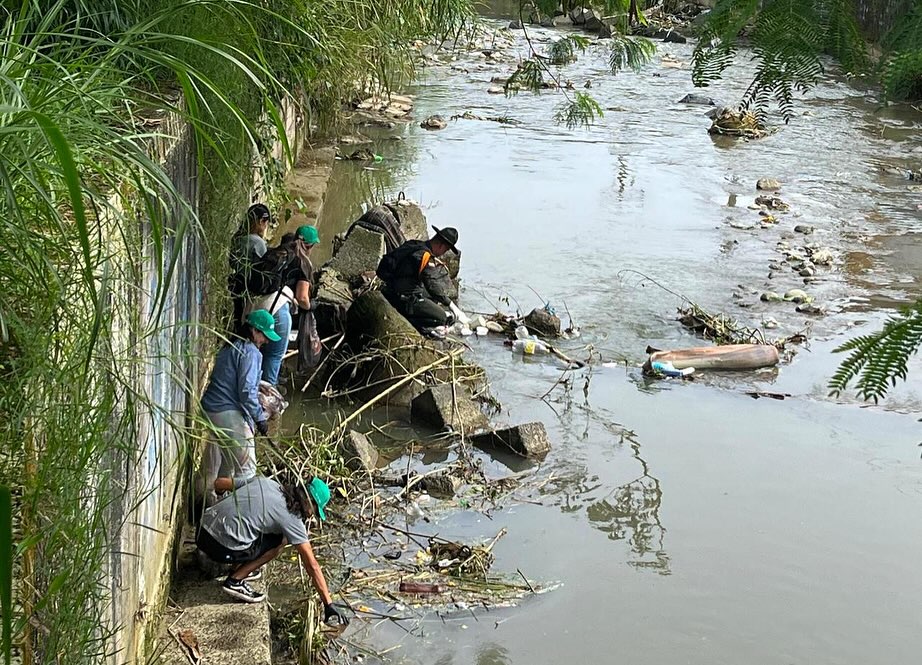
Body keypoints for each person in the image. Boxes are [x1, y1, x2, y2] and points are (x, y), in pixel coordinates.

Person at [197, 473, 347, 625]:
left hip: (200, 531)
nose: (311, 515)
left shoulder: (267, 483)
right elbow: (312, 565)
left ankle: (238, 566)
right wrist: (328, 604)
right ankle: (235, 581)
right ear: (310, 503)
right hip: (219, 547)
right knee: (279, 542)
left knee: (257, 524)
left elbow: (220, 483)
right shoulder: (292, 518)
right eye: (314, 511)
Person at [200, 309, 281, 505]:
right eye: (264, 336)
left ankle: (213, 503)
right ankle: (235, 509)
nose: (266, 341)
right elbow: (246, 391)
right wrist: (259, 418)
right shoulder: (250, 352)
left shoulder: (230, 346)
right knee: (248, 471)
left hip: (211, 409)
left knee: (229, 464)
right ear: (254, 331)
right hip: (226, 411)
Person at [244, 225, 320, 384]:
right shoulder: (303, 262)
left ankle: (256, 385)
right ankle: (268, 394)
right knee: (274, 355)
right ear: (309, 246)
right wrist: (313, 305)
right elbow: (302, 298)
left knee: (258, 352)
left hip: (254, 305)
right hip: (278, 309)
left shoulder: (276, 251)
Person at [376, 226, 460, 332]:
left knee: (433, 299)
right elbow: (432, 285)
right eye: (446, 249)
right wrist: (450, 304)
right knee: (443, 318)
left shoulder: (414, 245)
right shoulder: (425, 256)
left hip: (391, 289)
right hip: (405, 300)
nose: (443, 253)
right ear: (441, 246)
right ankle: (412, 323)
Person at [229, 203, 272, 326]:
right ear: (259, 221)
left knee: (238, 317)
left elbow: (232, 262)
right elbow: (265, 267)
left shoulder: (237, 238)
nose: (266, 225)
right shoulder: (257, 243)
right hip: (250, 288)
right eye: (265, 221)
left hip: (237, 283)